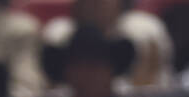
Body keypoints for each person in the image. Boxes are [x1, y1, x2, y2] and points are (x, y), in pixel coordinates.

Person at [42, 0, 175, 89]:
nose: (92, 4)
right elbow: (51, 91)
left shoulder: (145, 30)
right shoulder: (58, 33)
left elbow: (153, 88)